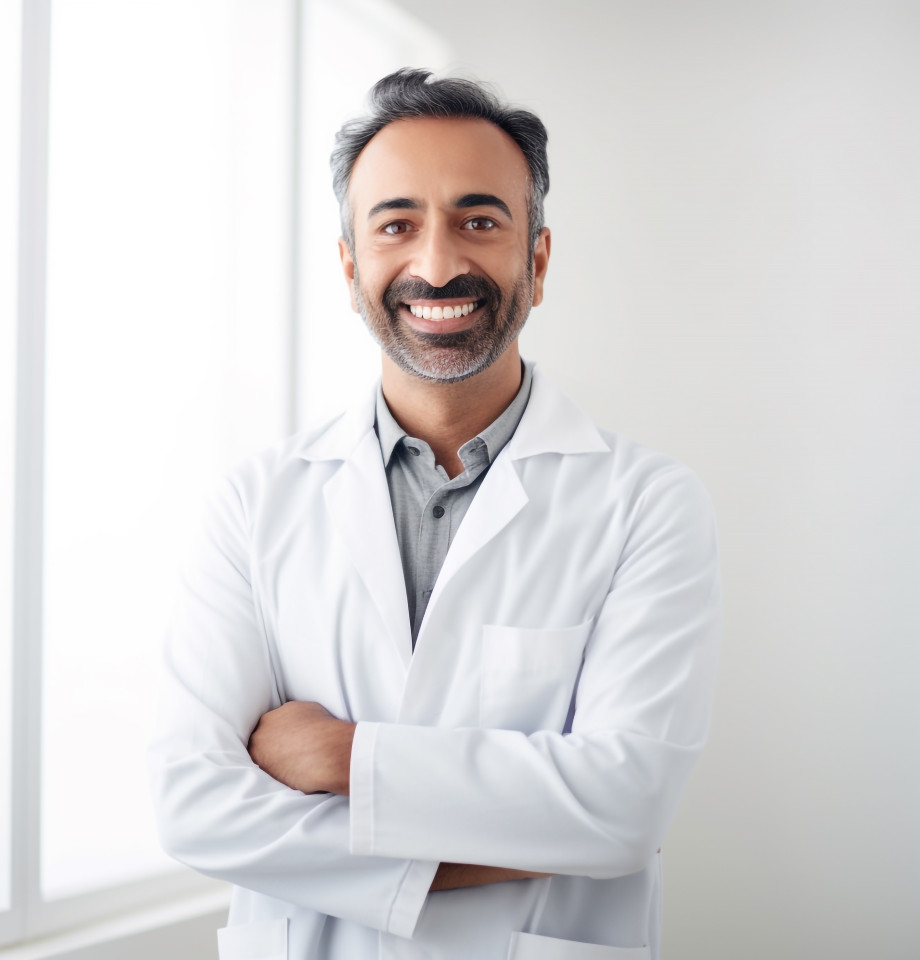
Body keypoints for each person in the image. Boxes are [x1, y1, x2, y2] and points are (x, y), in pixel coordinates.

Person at [148, 68, 721, 960]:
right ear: (350, 268)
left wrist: (343, 761)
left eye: (479, 221)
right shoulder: (257, 502)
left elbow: (623, 806)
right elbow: (193, 805)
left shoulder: (647, 503)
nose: (438, 263)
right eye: (397, 224)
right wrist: (517, 831)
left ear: (536, 259)